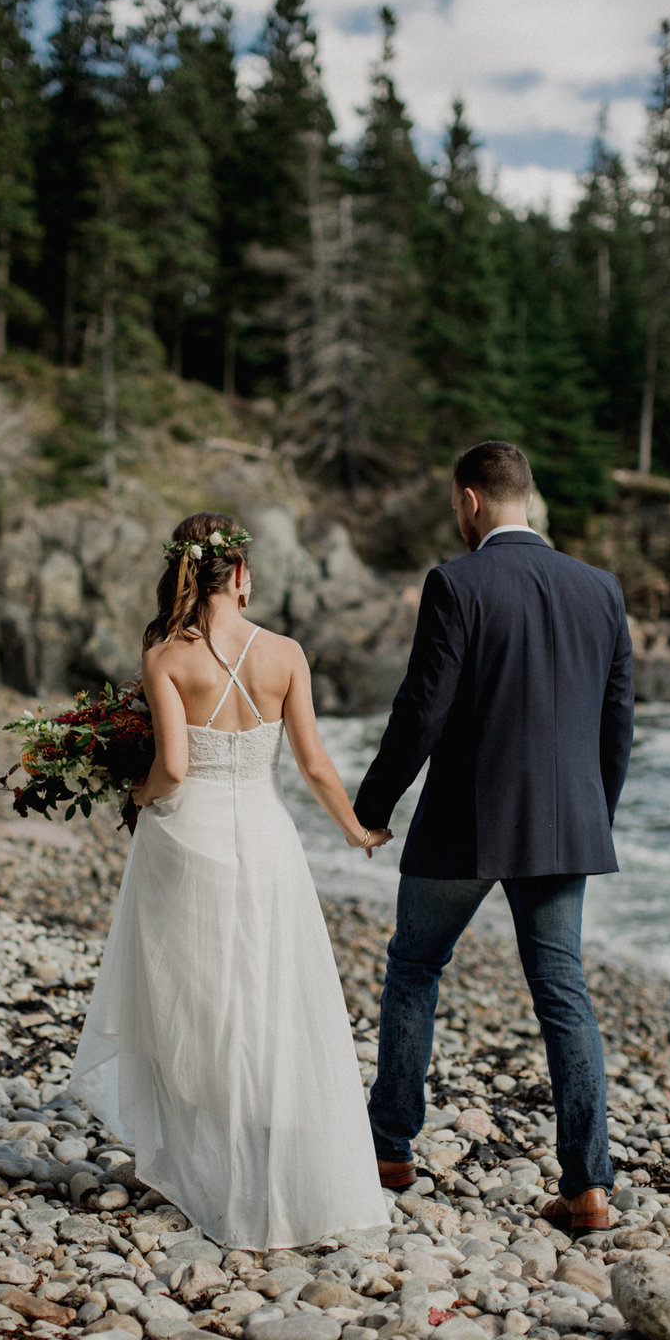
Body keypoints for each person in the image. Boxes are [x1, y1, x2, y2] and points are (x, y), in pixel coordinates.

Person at [69, 511, 392, 1250]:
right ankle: (279, 1171)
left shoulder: (164, 652)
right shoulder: (285, 653)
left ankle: (206, 1163)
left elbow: (174, 767)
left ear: (185, 573)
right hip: (269, 842)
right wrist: (355, 829)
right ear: (240, 575)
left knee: (191, 997)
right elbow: (313, 765)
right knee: (267, 997)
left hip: (189, 838)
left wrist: (139, 795)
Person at [354, 442, 635, 1235]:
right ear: (529, 500)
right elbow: (618, 724)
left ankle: (390, 1149)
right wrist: (593, 817)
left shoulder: (457, 581)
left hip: (464, 826)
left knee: (414, 969)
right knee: (562, 995)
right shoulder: (601, 589)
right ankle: (587, 1188)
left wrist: (374, 806)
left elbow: (422, 710)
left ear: (471, 500)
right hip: (565, 828)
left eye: (455, 504)